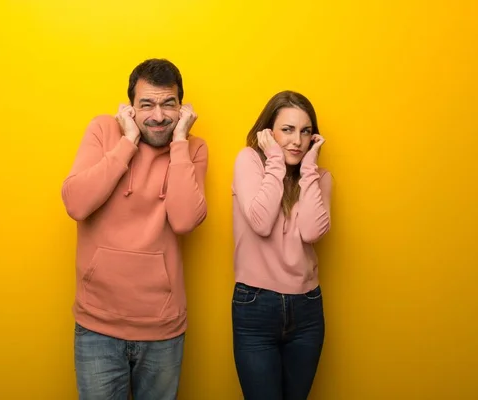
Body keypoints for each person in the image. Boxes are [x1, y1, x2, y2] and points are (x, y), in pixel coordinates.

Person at [61, 58, 208, 400]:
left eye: (168, 104)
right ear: (130, 109)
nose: (158, 115)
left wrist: (181, 141)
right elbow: (76, 204)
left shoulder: (193, 148)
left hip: (162, 329)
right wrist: (127, 142)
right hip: (97, 324)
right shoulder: (102, 131)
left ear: (182, 107)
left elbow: (185, 220)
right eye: (147, 104)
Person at [231, 90, 332, 400]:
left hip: (307, 309)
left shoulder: (319, 177)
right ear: (268, 132)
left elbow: (312, 231)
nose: (297, 141)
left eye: (305, 132)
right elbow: (260, 223)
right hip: (255, 306)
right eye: (287, 130)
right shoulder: (249, 161)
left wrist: (308, 170)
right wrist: (275, 160)